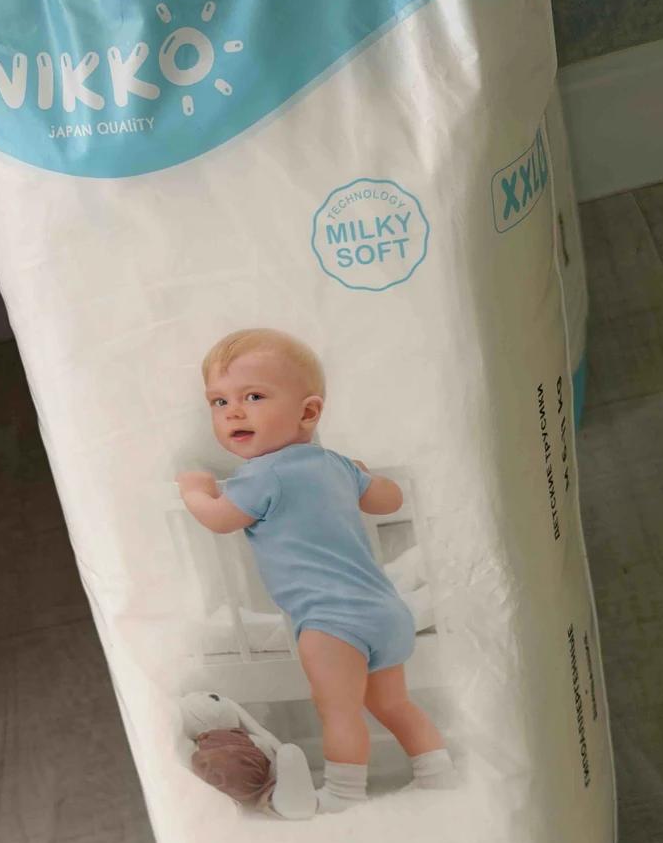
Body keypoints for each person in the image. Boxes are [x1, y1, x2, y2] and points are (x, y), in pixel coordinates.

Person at [176, 327, 456, 813]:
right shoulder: (336, 465)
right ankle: (438, 776)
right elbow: (390, 499)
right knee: (393, 703)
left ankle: (343, 795)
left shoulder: (260, 475)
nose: (233, 412)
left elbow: (219, 519)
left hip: (330, 624)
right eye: (219, 402)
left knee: (339, 711)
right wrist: (364, 474)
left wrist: (194, 491)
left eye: (253, 397)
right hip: (387, 614)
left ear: (307, 412)